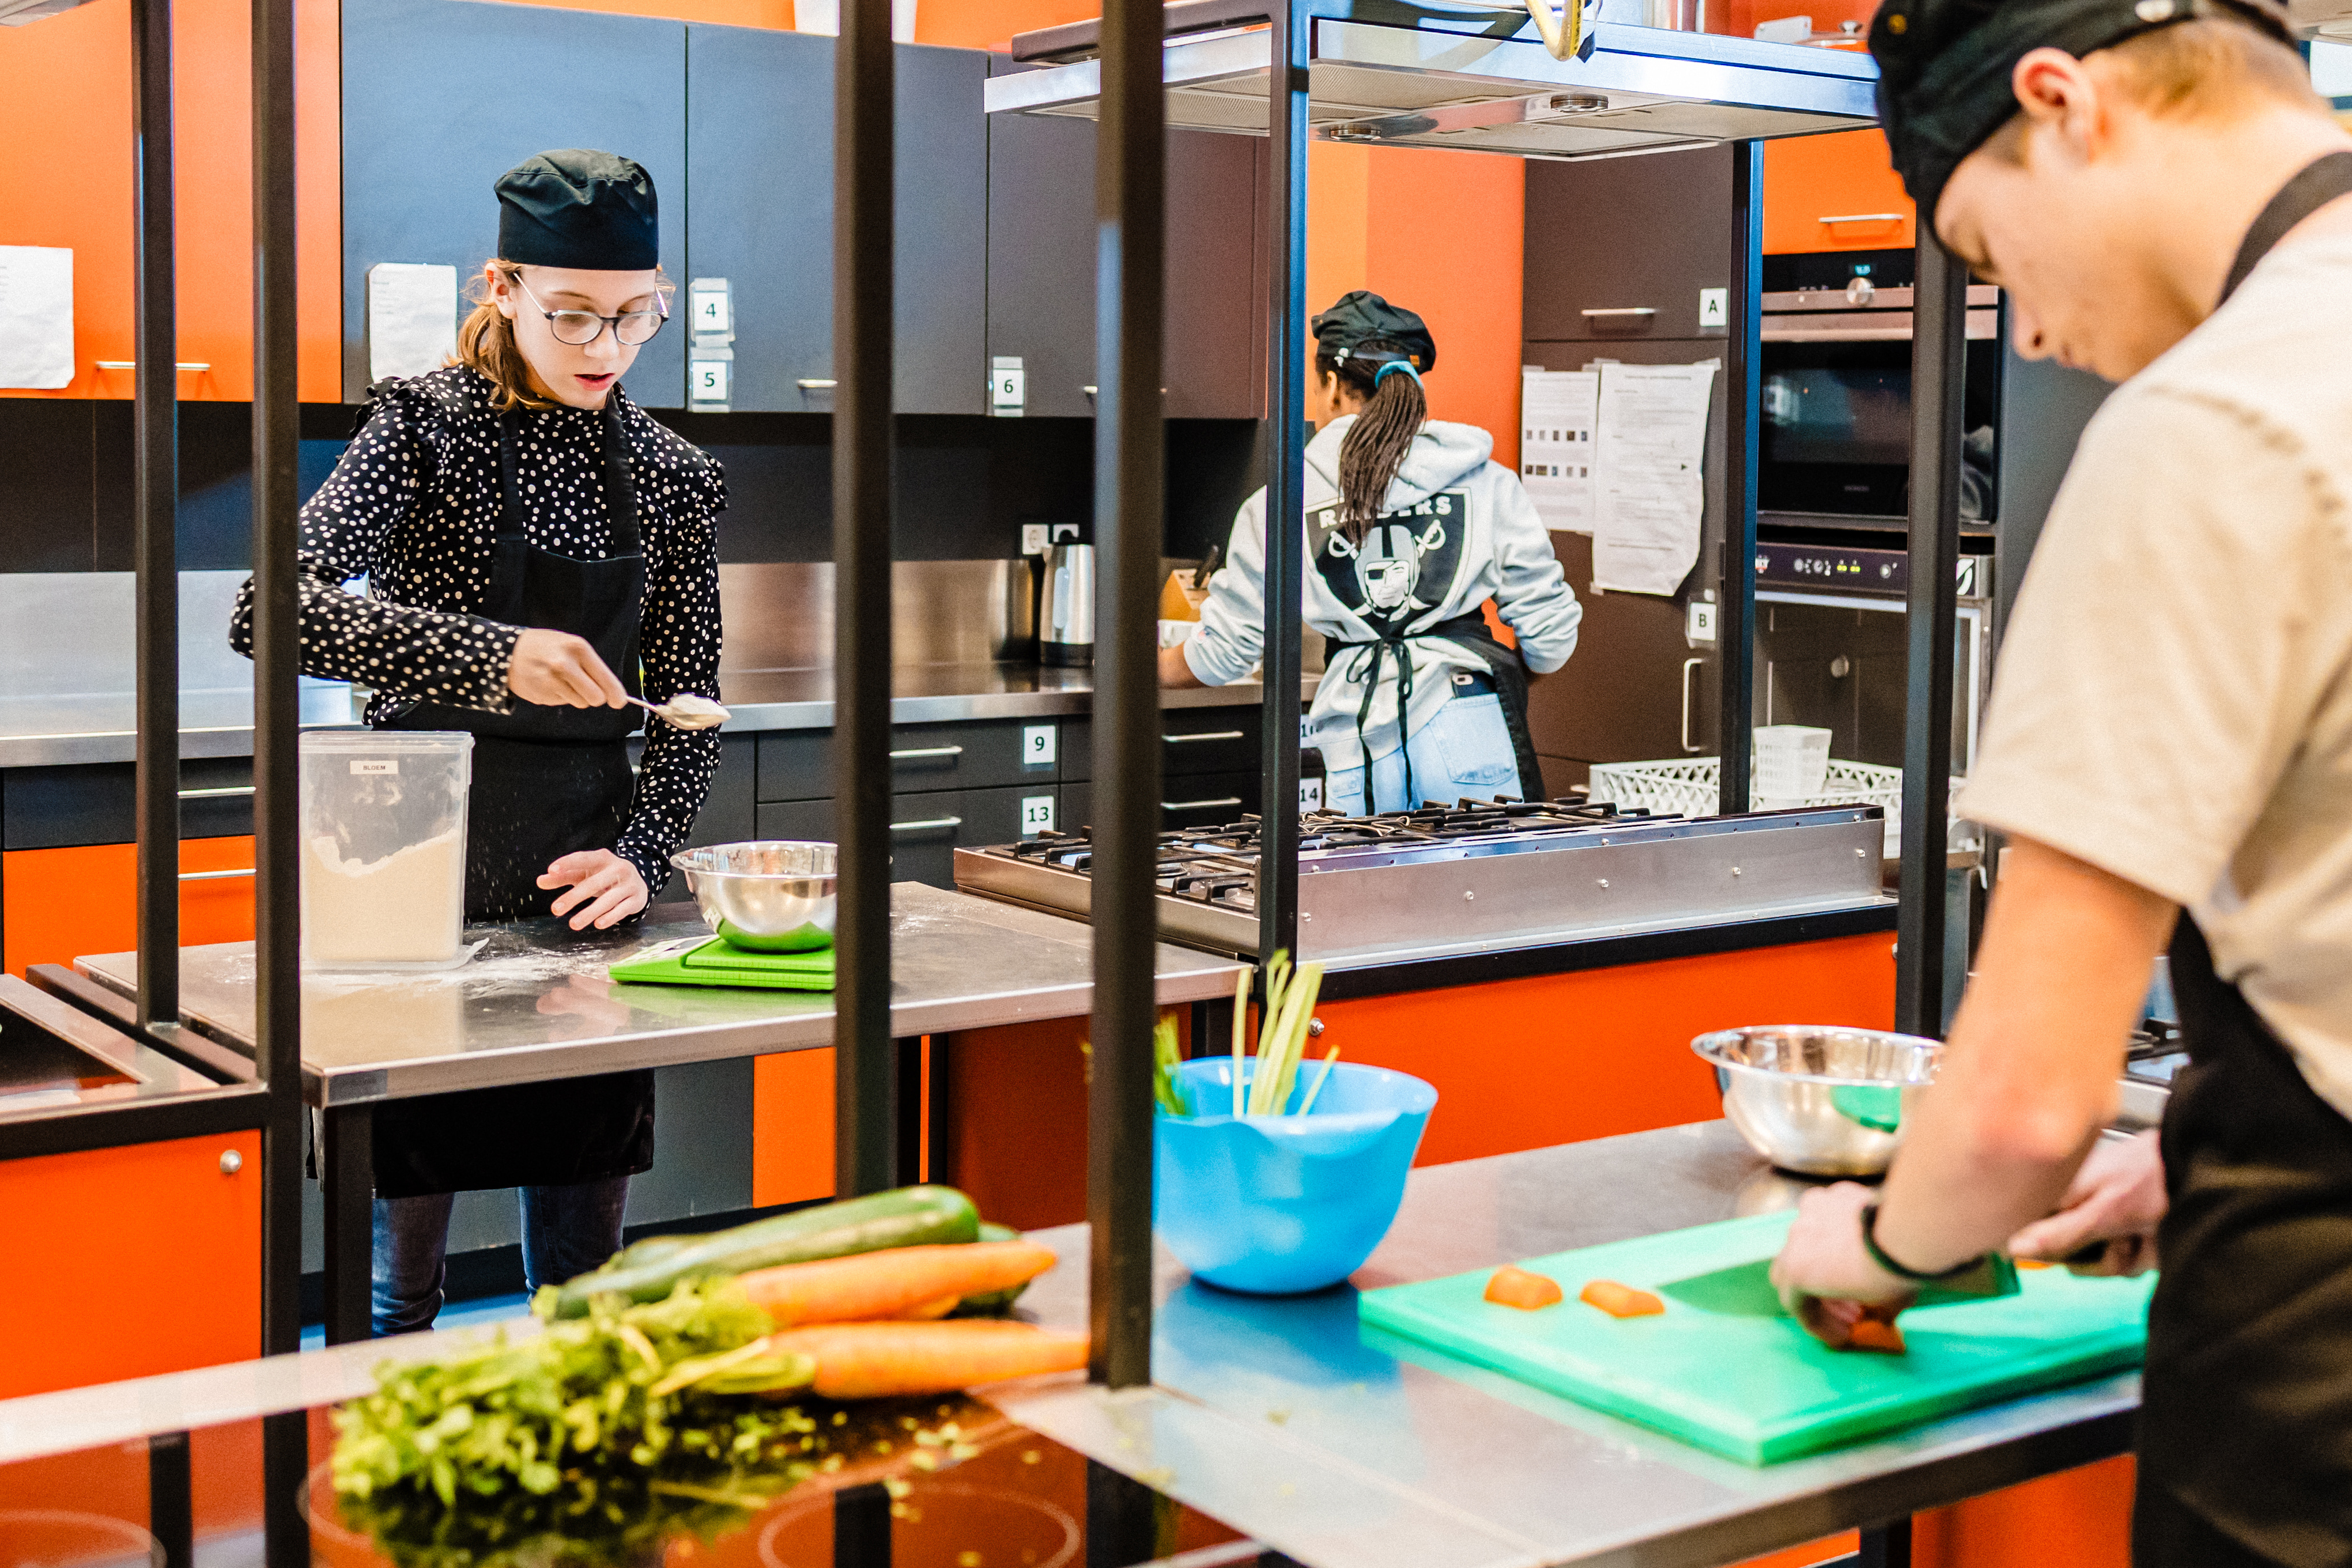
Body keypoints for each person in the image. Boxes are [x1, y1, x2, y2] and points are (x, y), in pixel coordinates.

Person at [1766, 1, 2352, 1561]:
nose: (2024, 331)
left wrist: (1878, 1243)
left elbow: (2027, 1106)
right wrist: (2194, 1152)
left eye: (1993, 252)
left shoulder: (2215, 421)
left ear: (2064, 101)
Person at [229, 149, 726, 1335]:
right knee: (396, 1279)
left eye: (636, 316)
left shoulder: (672, 476)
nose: (606, 347)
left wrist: (642, 858)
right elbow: (270, 610)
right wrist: (489, 654)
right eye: (573, 315)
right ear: (501, 287)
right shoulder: (423, 429)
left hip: (580, 895)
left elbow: (693, 704)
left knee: (585, 1284)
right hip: (412, 887)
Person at [1163, 292, 1582, 814]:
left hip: (1356, 742)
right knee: (1479, 868)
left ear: (1332, 385)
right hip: (1470, 723)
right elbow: (1551, 638)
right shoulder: (1488, 483)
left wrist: (1138, 669)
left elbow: (1222, 654)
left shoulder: (1280, 502)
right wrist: (1489, 672)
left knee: (1365, 867)